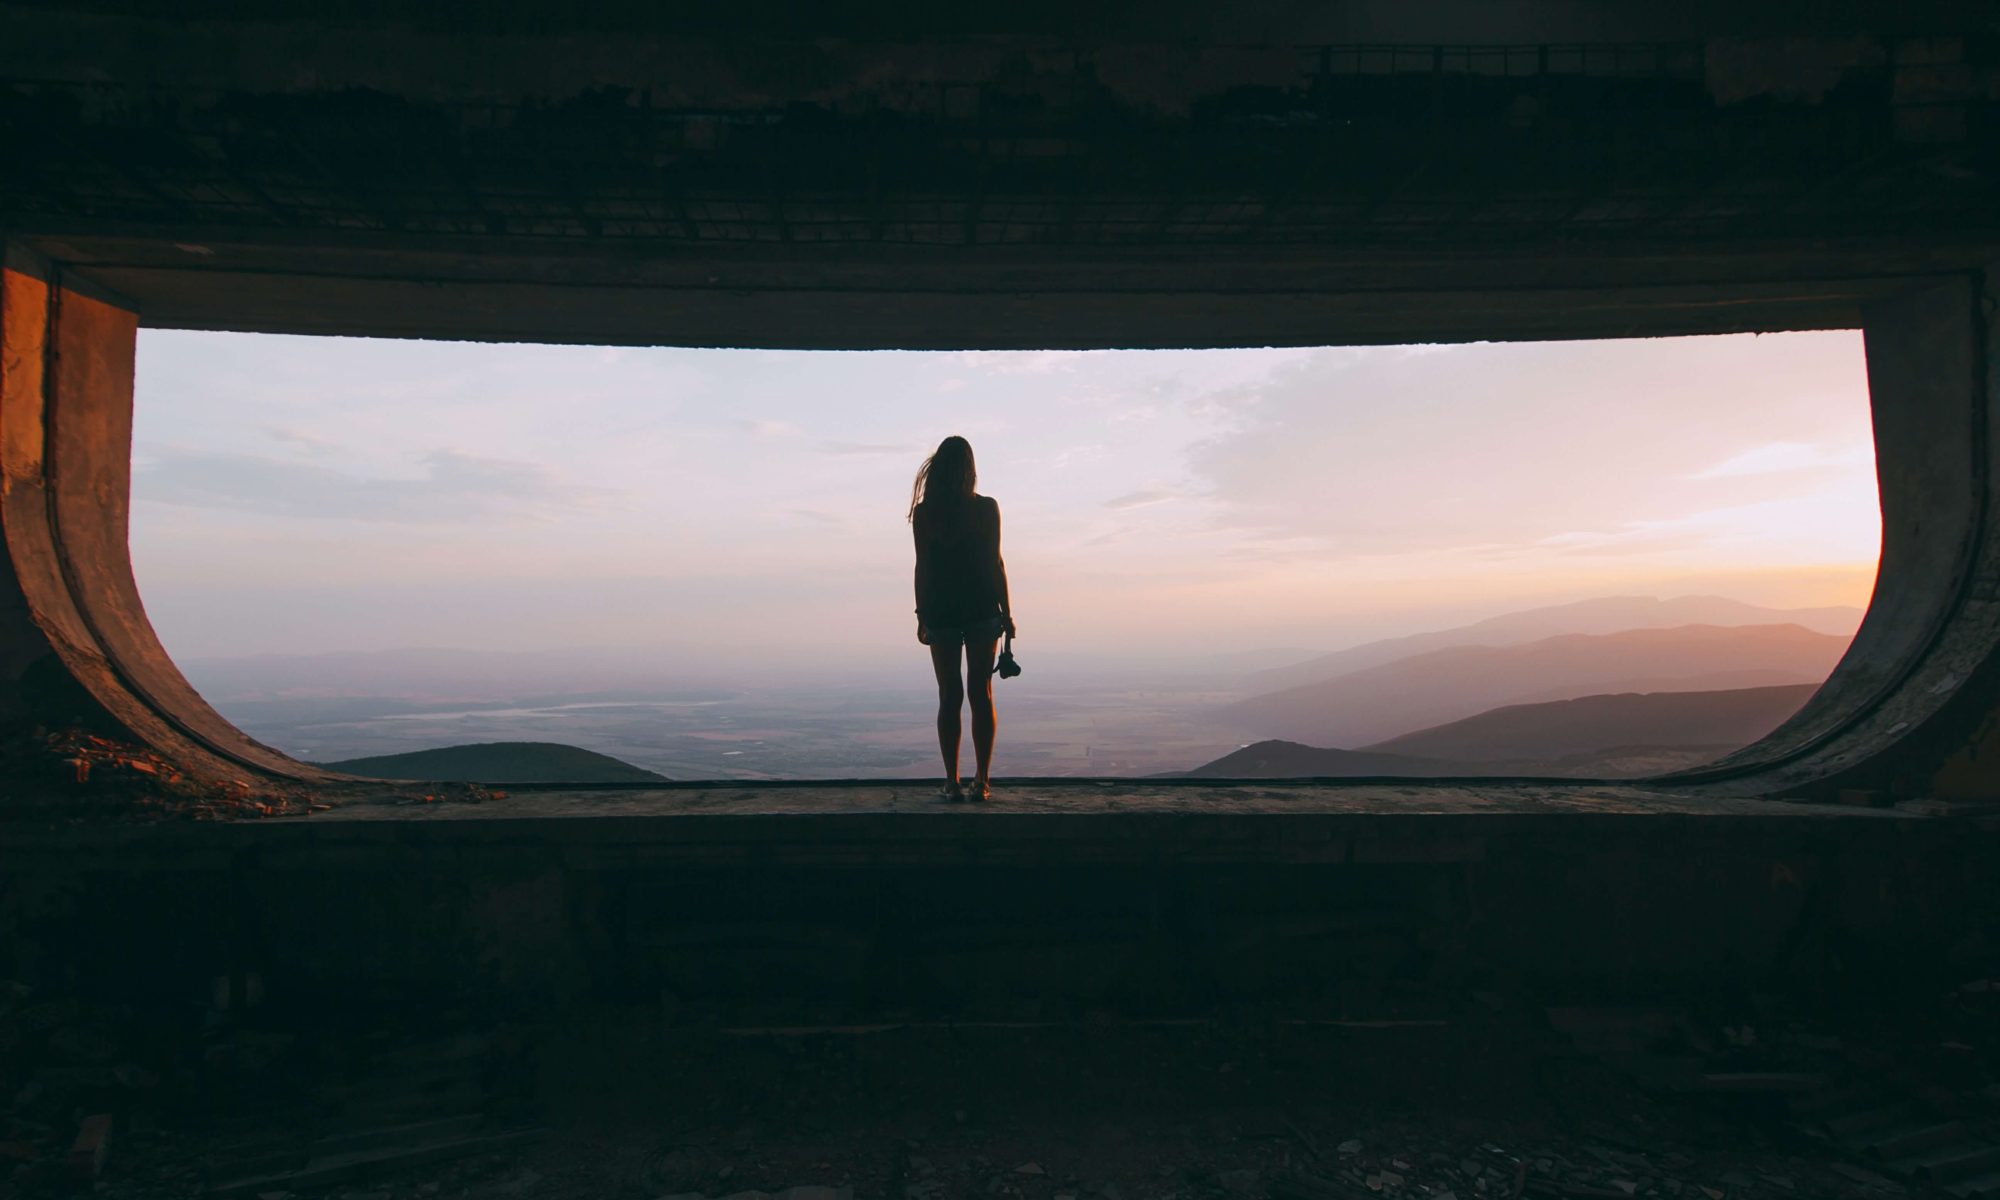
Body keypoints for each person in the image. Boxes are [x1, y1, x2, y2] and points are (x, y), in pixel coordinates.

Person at [909, 435, 1015, 801]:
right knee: (981, 695)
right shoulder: (987, 508)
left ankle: (951, 781)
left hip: (941, 613)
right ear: (970, 470)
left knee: (949, 695)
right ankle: (982, 781)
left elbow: (923, 566)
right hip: (984, 610)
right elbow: (996, 563)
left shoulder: (925, 514)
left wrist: (921, 614)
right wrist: (1009, 613)